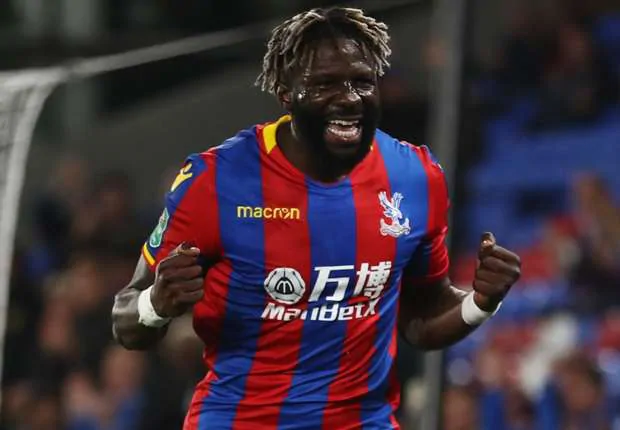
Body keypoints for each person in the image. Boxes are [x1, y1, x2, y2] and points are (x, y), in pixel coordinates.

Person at [112, 7, 521, 429]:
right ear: (286, 94)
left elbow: (421, 319)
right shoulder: (215, 181)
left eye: (362, 82)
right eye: (325, 84)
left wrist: (480, 303)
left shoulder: (416, 177)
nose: (349, 98)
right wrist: (155, 304)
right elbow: (125, 319)